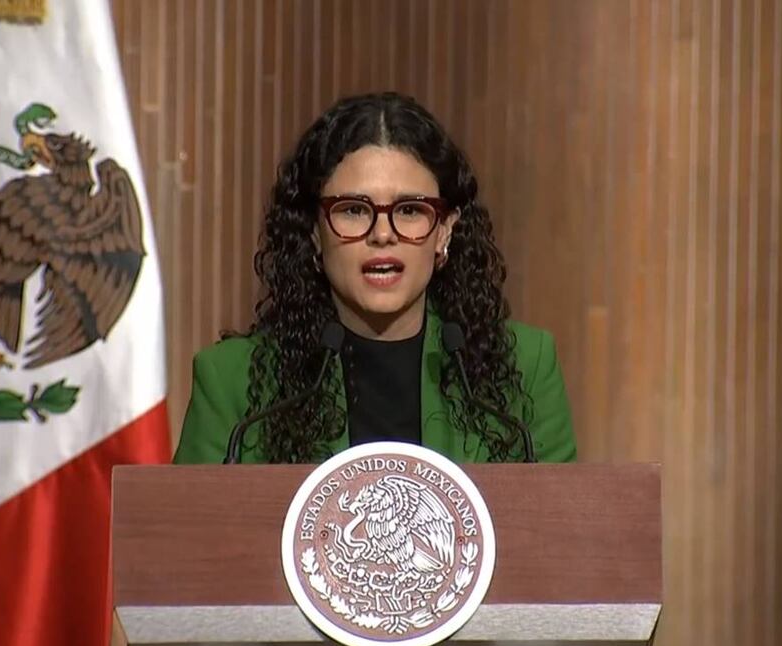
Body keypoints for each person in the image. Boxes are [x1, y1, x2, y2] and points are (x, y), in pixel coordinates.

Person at [174, 92, 576, 464]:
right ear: (314, 231)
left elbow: (562, 532)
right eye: (353, 210)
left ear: (445, 230)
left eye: (409, 210)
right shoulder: (231, 382)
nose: (382, 234)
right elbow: (186, 537)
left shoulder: (525, 366)